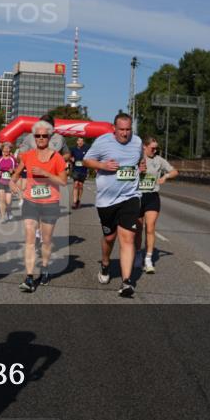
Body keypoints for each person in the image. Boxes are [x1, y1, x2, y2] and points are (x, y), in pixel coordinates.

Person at [83, 113, 143, 298]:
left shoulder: (138, 142)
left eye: (128, 130)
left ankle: (126, 282)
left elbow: (140, 160)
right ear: (114, 129)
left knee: (127, 238)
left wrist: (142, 167)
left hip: (130, 196)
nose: (125, 134)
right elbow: (86, 161)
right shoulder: (103, 141)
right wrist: (102, 165)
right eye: (121, 130)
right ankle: (106, 263)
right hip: (106, 200)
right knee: (109, 238)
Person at [9, 120, 67, 292]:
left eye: (44, 136)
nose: (41, 138)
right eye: (37, 136)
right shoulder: (27, 156)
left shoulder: (56, 157)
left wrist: (46, 173)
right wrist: (12, 184)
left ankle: (45, 268)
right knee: (30, 239)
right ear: (34, 138)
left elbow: (63, 182)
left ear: (49, 137)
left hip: (50, 203)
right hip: (31, 202)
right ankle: (28, 277)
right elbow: (16, 174)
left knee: (46, 240)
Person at [136, 136, 177, 274]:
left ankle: (148, 259)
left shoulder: (159, 160)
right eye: (152, 148)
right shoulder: (136, 157)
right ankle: (137, 255)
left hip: (152, 196)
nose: (155, 150)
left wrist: (165, 177)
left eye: (156, 148)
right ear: (144, 146)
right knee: (138, 228)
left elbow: (174, 171)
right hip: (137, 196)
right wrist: (137, 170)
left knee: (150, 227)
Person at [0, 141, 18, 222]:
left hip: (9, 182)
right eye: (4, 151)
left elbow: (17, 169)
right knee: (1, 200)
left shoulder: (12, 159)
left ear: (10, 151)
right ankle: (3, 217)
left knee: (8, 201)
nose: (6, 152)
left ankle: (9, 211)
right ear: (2, 150)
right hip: (0, 181)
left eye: (8, 151)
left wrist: (13, 170)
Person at [69, 136, 89, 209]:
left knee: (80, 185)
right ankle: (74, 202)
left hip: (83, 169)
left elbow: (90, 157)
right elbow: (69, 156)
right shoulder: (73, 149)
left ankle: (79, 200)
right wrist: (71, 158)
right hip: (75, 169)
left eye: (81, 141)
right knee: (76, 184)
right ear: (76, 142)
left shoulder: (86, 149)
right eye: (79, 141)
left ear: (83, 142)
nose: (80, 142)